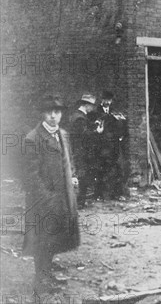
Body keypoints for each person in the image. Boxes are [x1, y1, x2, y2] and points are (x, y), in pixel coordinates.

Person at [22, 95, 80, 293]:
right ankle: (41, 280)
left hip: (63, 197)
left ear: (61, 114)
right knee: (43, 240)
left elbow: (69, 159)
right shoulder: (33, 138)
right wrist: (46, 198)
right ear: (42, 114)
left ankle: (48, 274)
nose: (53, 116)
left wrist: (73, 177)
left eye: (57, 112)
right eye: (49, 112)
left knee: (55, 238)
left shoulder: (63, 134)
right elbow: (31, 175)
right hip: (43, 201)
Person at [92, 91, 128, 200]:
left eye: (109, 100)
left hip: (114, 145)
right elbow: (95, 128)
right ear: (101, 100)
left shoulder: (114, 111)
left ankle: (115, 194)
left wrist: (120, 135)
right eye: (105, 100)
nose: (107, 102)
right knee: (101, 170)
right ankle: (100, 194)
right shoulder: (96, 112)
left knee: (117, 168)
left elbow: (121, 125)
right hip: (102, 146)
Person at [66, 93, 98, 208]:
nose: (93, 108)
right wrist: (96, 131)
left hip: (78, 150)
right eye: (92, 106)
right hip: (80, 151)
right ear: (86, 105)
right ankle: (79, 202)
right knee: (82, 176)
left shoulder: (77, 115)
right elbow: (83, 135)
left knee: (81, 175)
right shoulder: (80, 118)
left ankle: (79, 201)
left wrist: (92, 126)